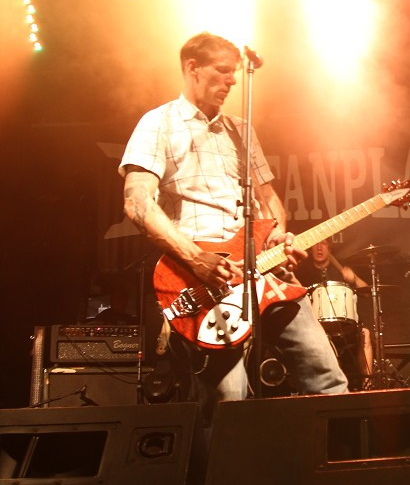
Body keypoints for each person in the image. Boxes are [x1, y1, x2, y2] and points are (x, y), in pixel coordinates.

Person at [119, 31, 348, 413]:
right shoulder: (157, 123)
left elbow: (269, 198)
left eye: (236, 73)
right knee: (228, 401)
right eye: (223, 71)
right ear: (192, 68)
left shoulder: (241, 130)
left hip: (266, 275)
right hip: (207, 279)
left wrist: (276, 235)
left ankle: (333, 470)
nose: (232, 81)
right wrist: (195, 258)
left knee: (326, 376)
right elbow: (137, 202)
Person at [295, 238, 374, 388]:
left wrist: (354, 279)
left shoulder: (341, 268)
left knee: (365, 333)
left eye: (323, 244)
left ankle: (368, 384)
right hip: (316, 324)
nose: (319, 248)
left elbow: (367, 292)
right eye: (315, 244)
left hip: (344, 323)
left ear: (330, 249)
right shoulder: (302, 272)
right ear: (310, 249)